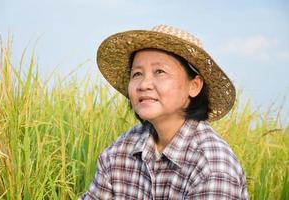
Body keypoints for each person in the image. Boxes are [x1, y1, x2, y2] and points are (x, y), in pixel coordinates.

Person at [80, 25, 249, 199]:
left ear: (194, 86)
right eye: (137, 74)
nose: (144, 84)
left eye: (159, 72)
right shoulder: (120, 151)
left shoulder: (213, 167)